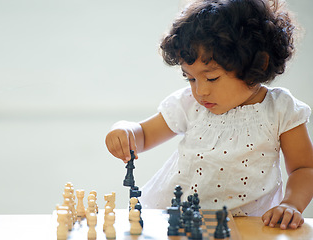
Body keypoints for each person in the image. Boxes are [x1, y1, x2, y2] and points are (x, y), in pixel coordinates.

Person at [105, 0, 313, 230]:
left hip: (245, 227)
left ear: (258, 65)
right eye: (190, 78)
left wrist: (291, 204)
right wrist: (124, 130)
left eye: (212, 78)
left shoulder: (281, 109)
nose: (200, 91)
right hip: (180, 221)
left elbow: (304, 168)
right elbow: (143, 134)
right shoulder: (189, 103)